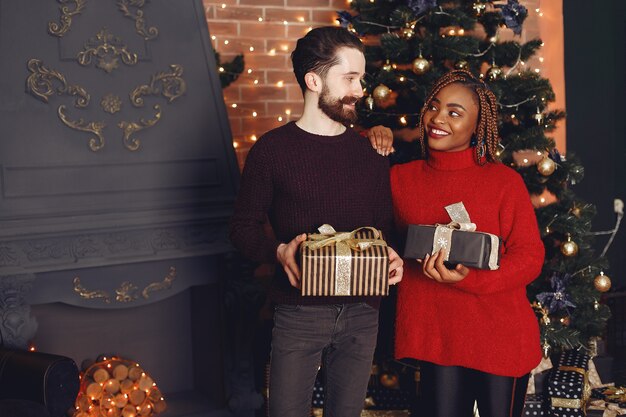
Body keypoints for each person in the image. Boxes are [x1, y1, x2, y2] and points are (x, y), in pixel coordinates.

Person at [229, 26, 404, 417]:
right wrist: (277, 251)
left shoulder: (371, 151)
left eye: (362, 78)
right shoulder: (271, 151)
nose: (361, 90)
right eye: (350, 78)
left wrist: (392, 258)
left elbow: (383, 230)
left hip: (362, 311)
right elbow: (241, 227)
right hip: (297, 312)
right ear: (313, 80)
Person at [372, 69, 544, 417]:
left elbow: (529, 257)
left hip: (500, 335)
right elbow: (341, 168)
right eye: (433, 107)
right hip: (437, 337)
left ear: (477, 126)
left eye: (454, 112)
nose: (437, 118)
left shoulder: (503, 182)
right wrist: (369, 137)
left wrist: (469, 279)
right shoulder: (400, 179)